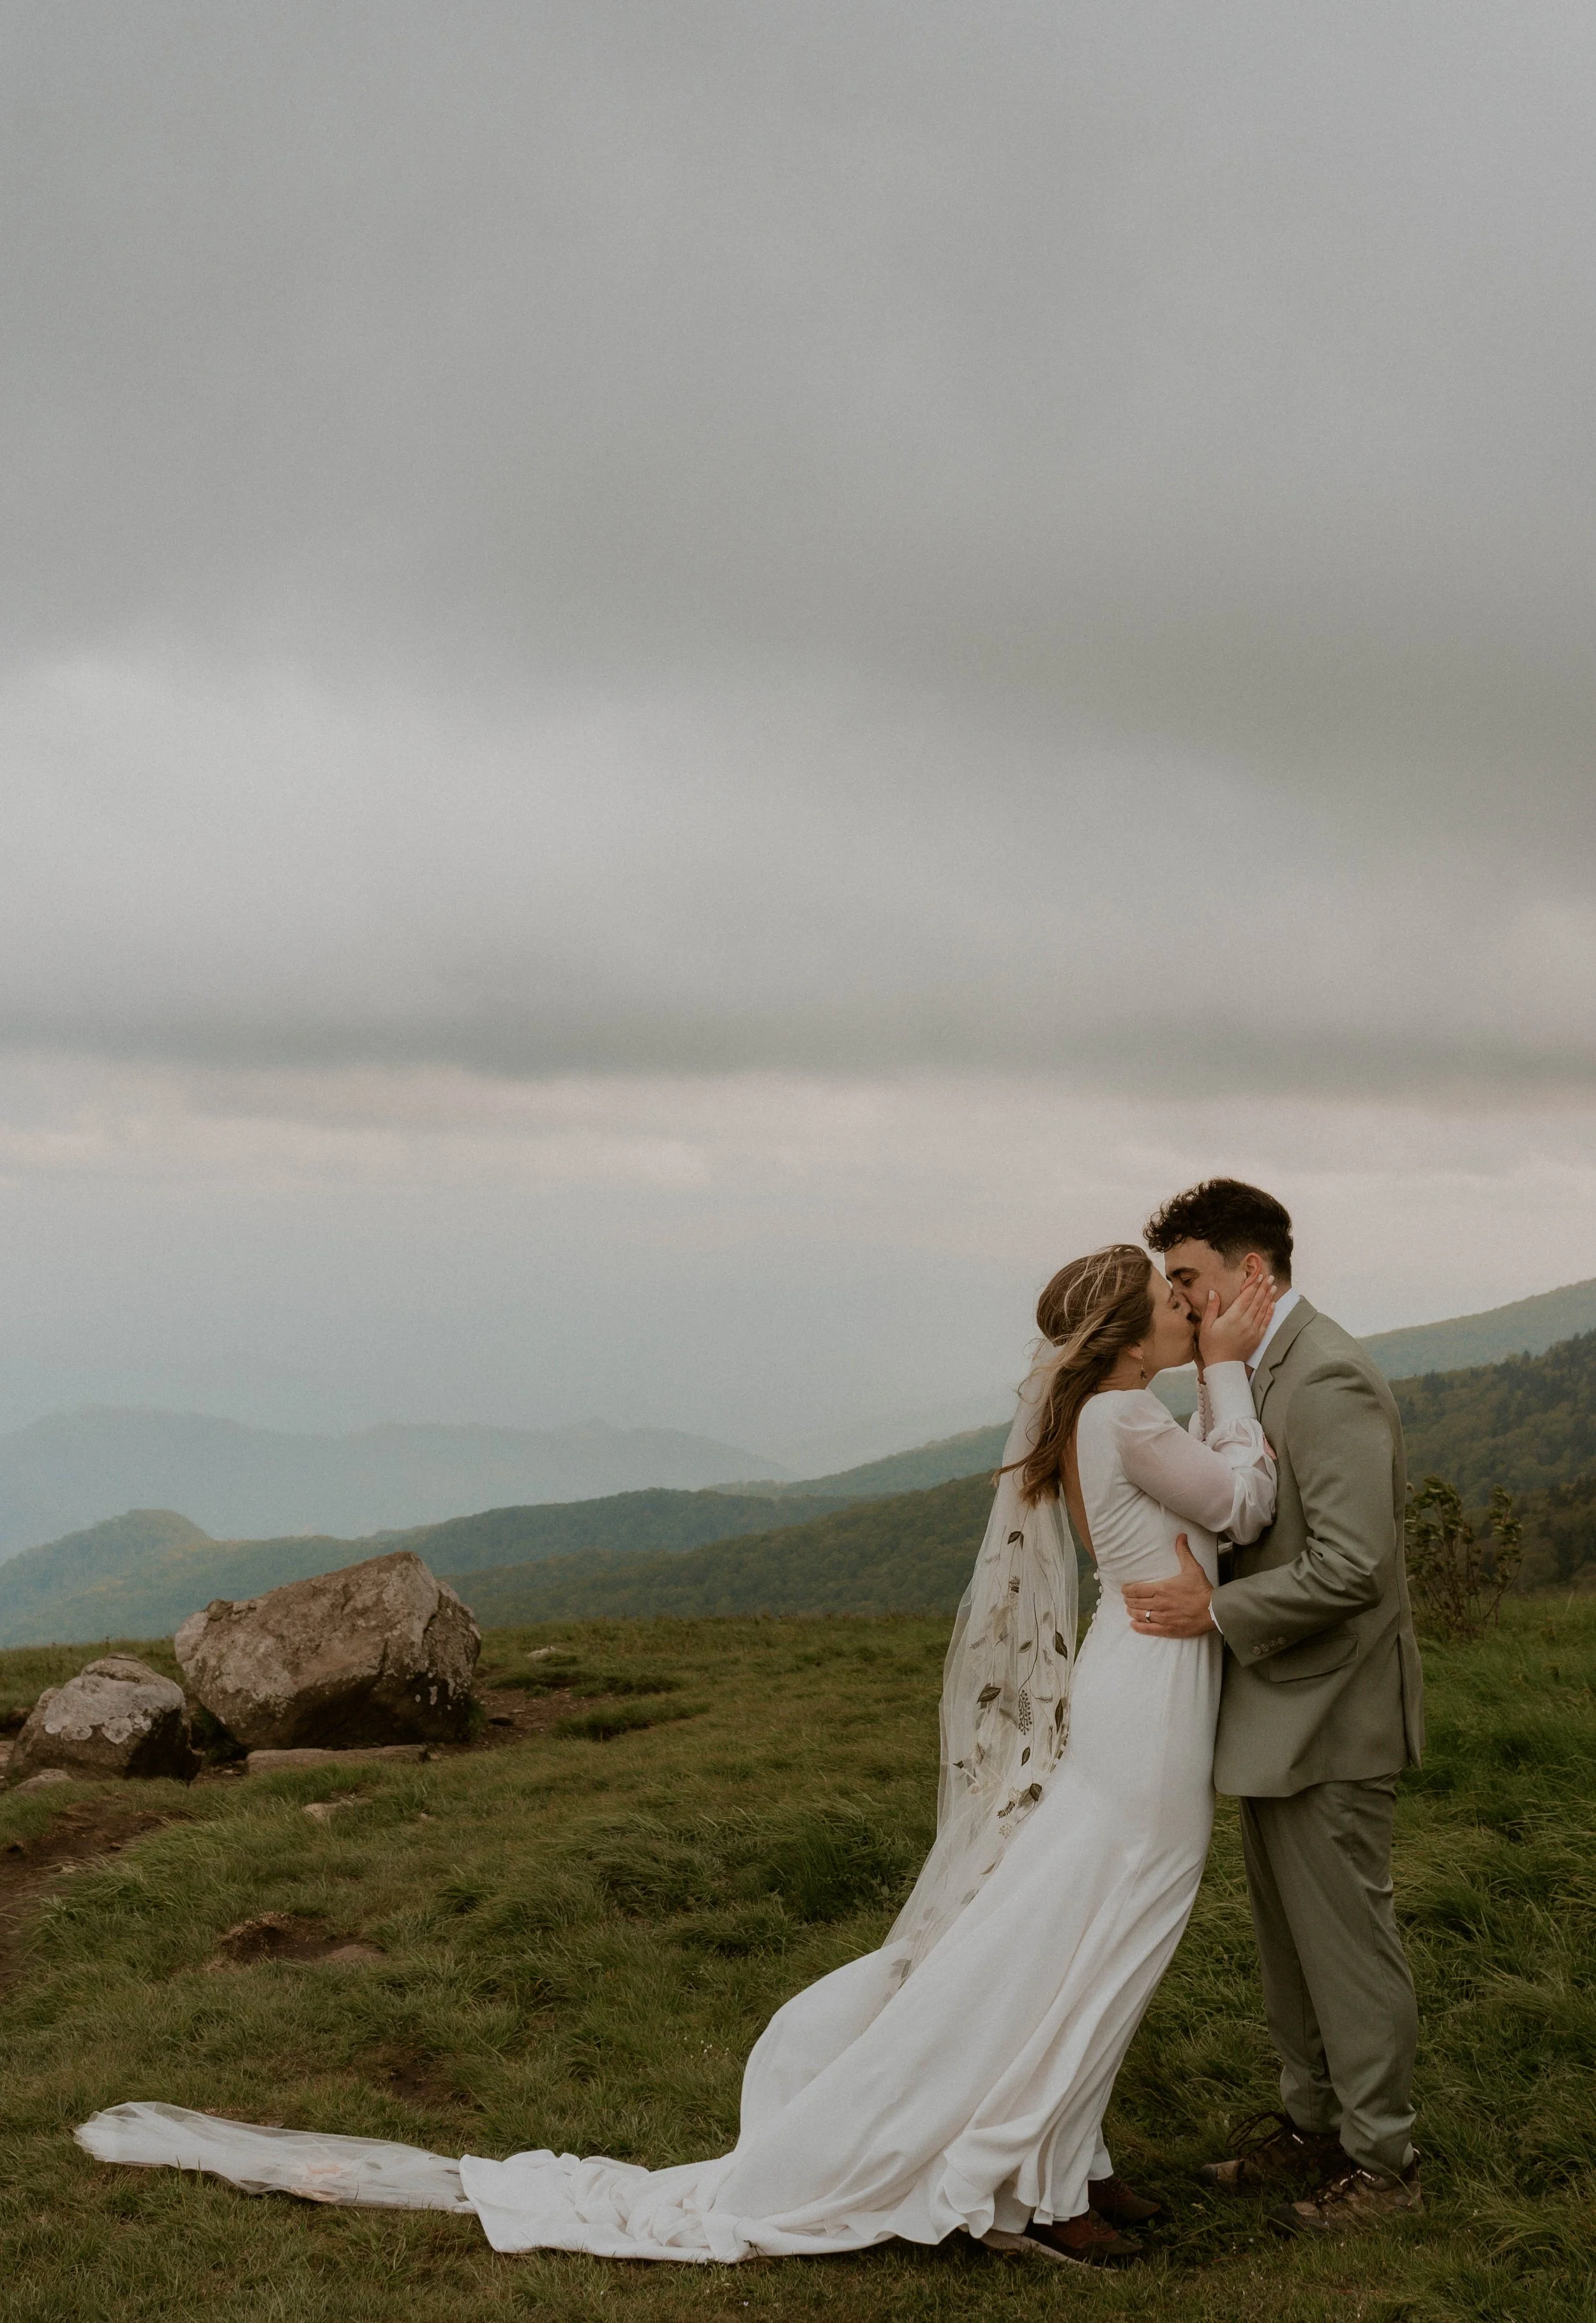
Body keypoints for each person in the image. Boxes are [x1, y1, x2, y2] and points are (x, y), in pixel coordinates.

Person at [80, 1244, 1277, 2271]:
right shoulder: (1128, 1413)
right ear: (1126, 1337)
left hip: (1149, 1680)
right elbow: (1241, 1506)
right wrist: (1230, 1367)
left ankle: (1068, 2154)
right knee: (1109, 1926)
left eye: (1196, 1295)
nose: (1191, 1306)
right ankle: (1038, 2177)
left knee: (1094, 1931)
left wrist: (1211, 1379)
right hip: (1145, 1701)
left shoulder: (1112, 1411)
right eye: (1174, 1300)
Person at [1129, 1178, 1424, 2237]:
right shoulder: (1251, 1372)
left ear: (1253, 1273)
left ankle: (1385, 2161)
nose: (1181, 1300)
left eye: (1190, 1279)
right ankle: (1310, 2127)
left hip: (1331, 1713)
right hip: (1272, 1711)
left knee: (1346, 1941)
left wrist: (1219, 1610)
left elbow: (1355, 1564)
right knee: (1289, 1946)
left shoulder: (1329, 1376)